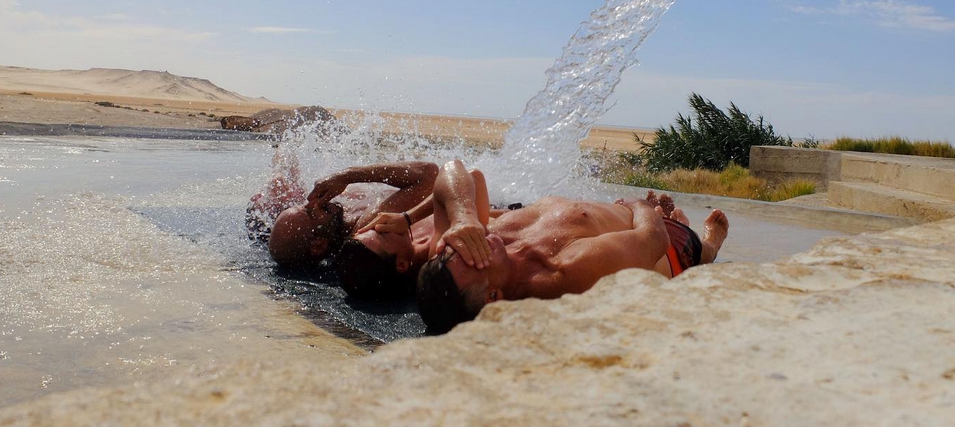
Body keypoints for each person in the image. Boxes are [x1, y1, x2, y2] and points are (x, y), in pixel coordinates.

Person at [416, 160, 729, 334]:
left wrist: (463, 217)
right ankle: (699, 237)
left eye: (458, 248)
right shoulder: (564, 271)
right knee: (693, 246)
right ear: (493, 295)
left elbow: (459, 172)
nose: (473, 245)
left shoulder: (451, 261)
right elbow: (652, 241)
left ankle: (659, 213)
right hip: (667, 250)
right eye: (473, 260)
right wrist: (636, 205)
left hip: (610, 224)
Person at [247, 147, 439, 268]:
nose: (314, 203)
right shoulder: (365, 225)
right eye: (309, 211)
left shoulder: (335, 217)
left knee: (280, 176)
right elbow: (429, 173)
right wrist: (348, 176)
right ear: (318, 244)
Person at [337, 167, 496, 301]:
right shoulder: (441, 249)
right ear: (402, 264)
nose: (379, 226)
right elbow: (472, 177)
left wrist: (347, 176)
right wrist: (409, 217)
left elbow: (429, 174)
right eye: (382, 235)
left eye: (371, 230)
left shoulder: (398, 231)